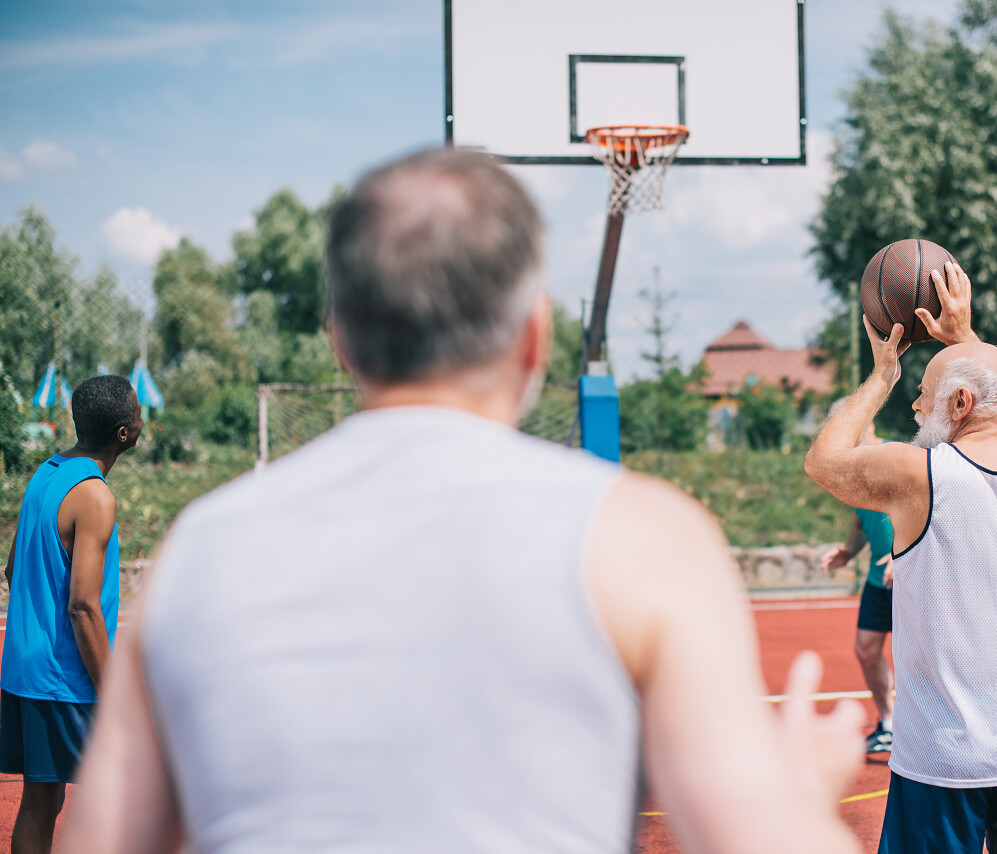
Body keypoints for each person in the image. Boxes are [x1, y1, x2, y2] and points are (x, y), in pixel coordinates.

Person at [63, 149, 865, 854]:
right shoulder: (646, 539)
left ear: (341, 338)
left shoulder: (202, 549)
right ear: (535, 336)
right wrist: (794, 801)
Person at [805, 261, 997, 854]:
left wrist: (881, 379)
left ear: (958, 402)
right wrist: (967, 338)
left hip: (945, 761)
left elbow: (823, 462)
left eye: (923, 396)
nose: (914, 406)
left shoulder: (920, 474)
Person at [1, 375, 142, 854]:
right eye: (138, 411)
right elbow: (83, 607)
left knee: (42, 801)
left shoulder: (46, 473)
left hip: (25, 668)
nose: (143, 419)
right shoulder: (95, 496)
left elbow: (12, 567)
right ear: (123, 432)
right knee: (125, 791)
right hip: (62, 677)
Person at [820, 419, 896, 755]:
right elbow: (860, 521)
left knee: (923, 658)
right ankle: (889, 725)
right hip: (879, 578)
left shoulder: (896, 456)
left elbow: (925, 509)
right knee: (865, 648)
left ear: (867, 422)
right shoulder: (852, 468)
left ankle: (929, 733)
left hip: (910, 575)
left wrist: (904, 552)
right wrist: (849, 551)